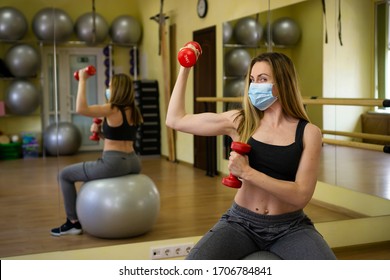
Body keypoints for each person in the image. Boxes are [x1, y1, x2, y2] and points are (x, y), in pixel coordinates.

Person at [166, 52, 336, 260]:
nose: (255, 86)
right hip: (240, 223)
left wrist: (247, 173)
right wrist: (185, 68)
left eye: (263, 79)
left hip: (290, 227)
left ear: (282, 83)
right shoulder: (241, 121)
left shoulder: (309, 133)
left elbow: (301, 195)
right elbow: (175, 120)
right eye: (252, 80)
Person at [51, 70, 143, 237]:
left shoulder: (112, 109)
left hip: (113, 163)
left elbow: (81, 108)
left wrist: (83, 80)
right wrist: (100, 133)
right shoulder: (134, 111)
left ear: (117, 89)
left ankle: (72, 222)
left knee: (64, 175)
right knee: (68, 174)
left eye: (110, 86)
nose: (108, 89)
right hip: (133, 161)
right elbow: (120, 136)